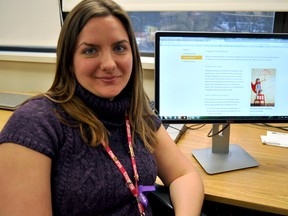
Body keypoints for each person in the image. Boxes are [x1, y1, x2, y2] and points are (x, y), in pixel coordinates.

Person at [0, 0, 204, 215]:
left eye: (119, 48)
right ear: (69, 60)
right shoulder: (35, 125)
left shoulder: (135, 113)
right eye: (90, 50)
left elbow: (183, 175)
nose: (109, 64)